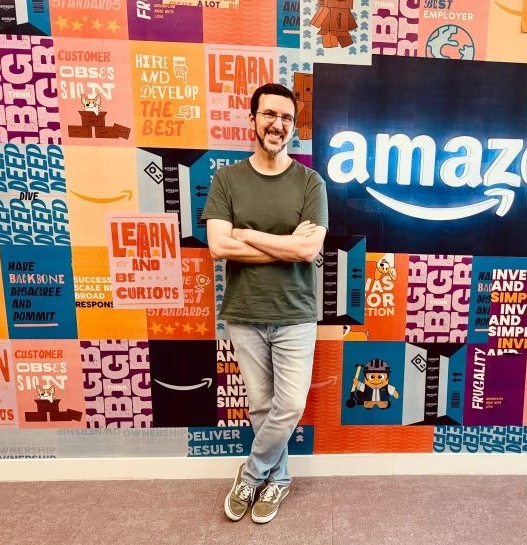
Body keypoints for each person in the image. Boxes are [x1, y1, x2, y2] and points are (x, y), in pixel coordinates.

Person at [201, 83, 328, 524]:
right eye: (270, 114)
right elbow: (219, 246)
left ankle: (252, 473)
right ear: (252, 119)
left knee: (288, 406)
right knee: (260, 407)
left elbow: (307, 250)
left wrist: (248, 234)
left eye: (287, 118)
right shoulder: (227, 179)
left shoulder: (310, 182)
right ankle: (280, 478)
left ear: (294, 126)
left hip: (295, 313)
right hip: (245, 313)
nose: (278, 124)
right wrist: (284, 244)